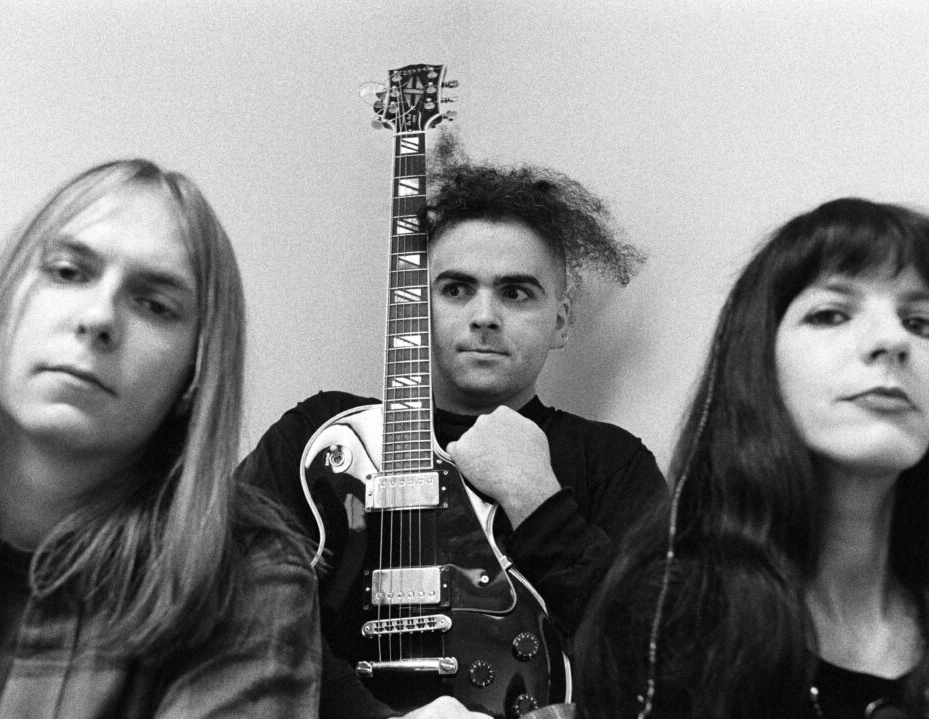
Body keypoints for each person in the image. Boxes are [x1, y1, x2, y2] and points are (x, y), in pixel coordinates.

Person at [236, 146, 666, 718]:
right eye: (456, 288)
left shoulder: (610, 461)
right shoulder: (319, 438)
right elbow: (233, 603)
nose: (484, 315)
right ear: (414, 308)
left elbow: (661, 655)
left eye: (515, 292)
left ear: (560, 321)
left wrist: (537, 499)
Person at [575, 198, 929, 719]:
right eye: (832, 313)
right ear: (758, 362)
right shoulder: (666, 620)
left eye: (921, 323)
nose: (893, 340)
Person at [0, 159, 320, 718]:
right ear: (1, 299)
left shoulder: (246, 578)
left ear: (195, 377)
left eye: (154, 305)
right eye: (68, 272)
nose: (98, 317)